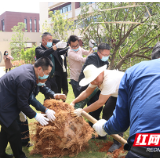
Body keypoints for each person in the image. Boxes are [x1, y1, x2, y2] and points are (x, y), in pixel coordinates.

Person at [92, 42, 160, 158]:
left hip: (147, 144)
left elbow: (120, 122)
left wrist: (104, 127)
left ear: (153, 57)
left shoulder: (134, 71)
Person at [0, 57, 55, 158]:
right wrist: (35, 115)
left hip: (6, 99)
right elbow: (22, 103)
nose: (47, 76)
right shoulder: (27, 78)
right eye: (47, 72)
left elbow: (28, 98)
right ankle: (20, 156)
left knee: (6, 129)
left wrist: (45, 110)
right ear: (39, 69)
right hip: (3, 103)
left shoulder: (30, 70)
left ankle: (1, 154)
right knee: (14, 131)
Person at [71, 64, 125, 152]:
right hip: (116, 93)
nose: (95, 82)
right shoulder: (96, 79)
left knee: (118, 115)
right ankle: (102, 134)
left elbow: (100, 102)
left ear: (101, 73)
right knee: (107, 111)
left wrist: (82, 111)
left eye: (95, 79)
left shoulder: (109, 79)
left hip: (127, 94)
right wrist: (74, 102)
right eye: (92, 80)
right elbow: (86, 92)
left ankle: (117, 141)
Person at [19, 78, 66, 147]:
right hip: (13, 103)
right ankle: (16, 149)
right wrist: (45, 110)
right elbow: (32, 99)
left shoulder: (39, 80)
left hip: (22, 102)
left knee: (22, 121)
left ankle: (24, 142)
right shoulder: (29, 81)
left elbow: (43, 88)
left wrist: (54, 95)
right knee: (12, 126)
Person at [77, 43, 110, 140]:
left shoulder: (105, 62)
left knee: (102, 107)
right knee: (94, 107)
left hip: (98, 85)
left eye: (108, 55)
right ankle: (90, 128)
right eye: (104, 55)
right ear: (98, 53)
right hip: (89, 84)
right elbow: (94, 76)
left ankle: (97, 128)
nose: (106, 57)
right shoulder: (92, 58)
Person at [35, 32, 67, 98]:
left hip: (53, 77)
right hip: (44, 77)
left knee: (55, 96)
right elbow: (44, 54)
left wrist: (69, 48)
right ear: (43, 40)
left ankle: (52, 108)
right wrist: (55, 47)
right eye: (49, 40)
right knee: (48, 96)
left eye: (51, 40)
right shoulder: (38, 49)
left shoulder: (52, 49)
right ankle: (46, 108)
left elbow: (59, 52)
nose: (51, 42)